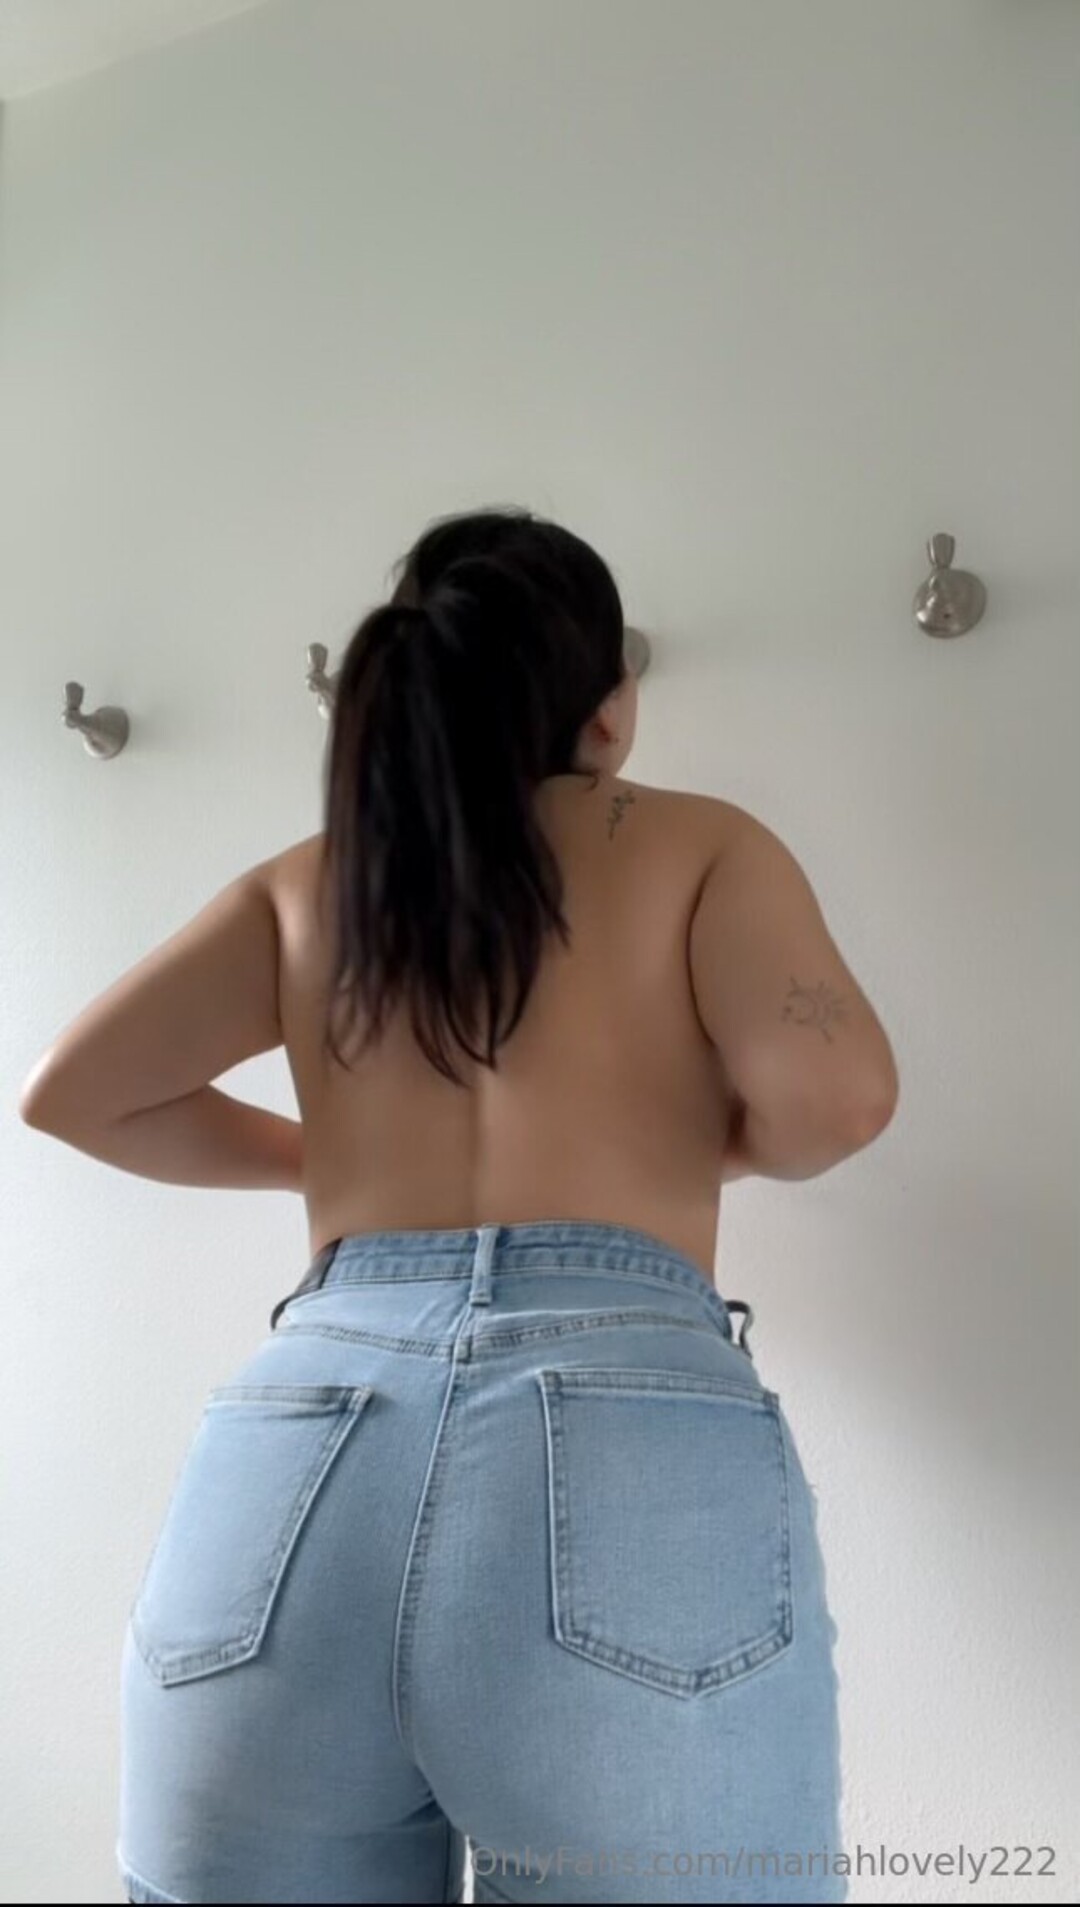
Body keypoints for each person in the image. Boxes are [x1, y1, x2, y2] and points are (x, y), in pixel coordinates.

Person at [22, 505, 898, 1904]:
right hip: (619, 1419)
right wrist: (687, 1150)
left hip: (301, 1441)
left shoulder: (314, 884)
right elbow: (839, 1100)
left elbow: (76, 1094)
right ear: (609, 707)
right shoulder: (697, 847)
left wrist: (325, 1166)